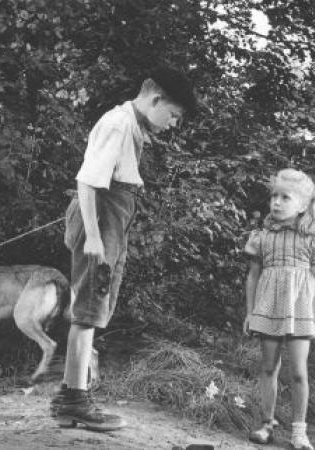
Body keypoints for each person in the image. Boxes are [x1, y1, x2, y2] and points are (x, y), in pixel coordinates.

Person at [50, 67, 196, 431]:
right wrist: (96, 238)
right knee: (88, 308)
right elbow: (87, 182)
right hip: (99, 217)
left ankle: (71, 397)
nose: (173, 124)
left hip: (112, 215)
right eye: (173, 116)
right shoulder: (118, 123)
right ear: (155, 99)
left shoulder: (132, 125)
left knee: (93, 307)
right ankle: (74, 399)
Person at [242, 168, 315, 450]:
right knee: (269, 367)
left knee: (299, 372)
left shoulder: (311, 239)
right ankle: (266, 424)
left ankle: (299, 432)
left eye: (285, 197)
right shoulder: (262, 237)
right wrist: (250, 312)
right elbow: (253, 276)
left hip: (300, 310)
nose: (276, 202)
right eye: (274, 196)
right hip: (268, 308)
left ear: (303, 205)